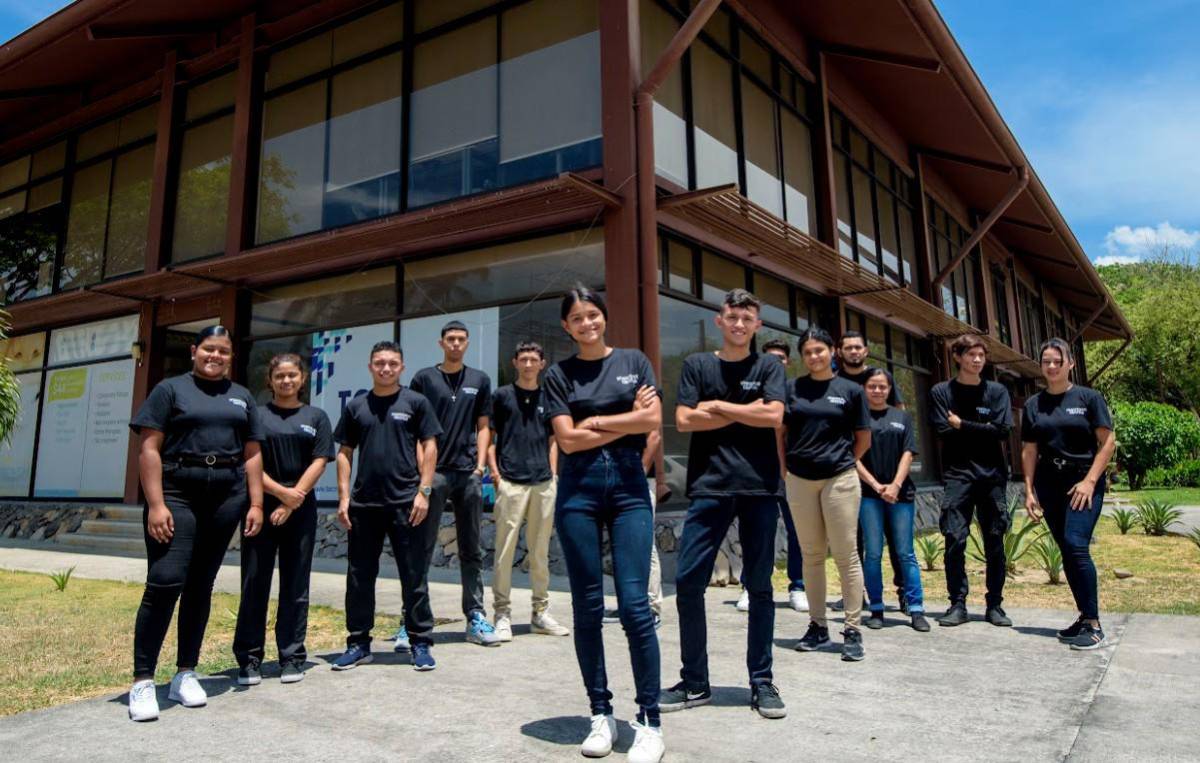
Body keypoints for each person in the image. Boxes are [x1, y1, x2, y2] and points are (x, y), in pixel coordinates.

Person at [544, 286, 665, 763]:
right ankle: (601, 714)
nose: (587, 323)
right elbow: (567, 442)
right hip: (579, 490)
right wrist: (623, 419)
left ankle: (649, 721)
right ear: (566, 326)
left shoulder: (634, 361)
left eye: (593, 314)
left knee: (636, 605)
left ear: (604, 317)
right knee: (588, 606)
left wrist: (594, 423)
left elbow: (652, 420)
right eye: (577, 318)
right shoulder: (558, 375)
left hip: (630, 488)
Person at [127, 325, 266, 722]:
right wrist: (156, 504)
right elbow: (149, 448)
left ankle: (185, 672)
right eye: (209, 349)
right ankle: (142, 680)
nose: (215, 356)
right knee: (165, 581)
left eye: (223, 351)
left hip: (226, 496)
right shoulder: (169, 390)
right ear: (194, 351)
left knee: (201, 585)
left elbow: (252, 453)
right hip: (177, 493)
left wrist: (256, 502)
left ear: (231, 357)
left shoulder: (242, 397)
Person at [660, 289, 788, 720]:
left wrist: (715, 406)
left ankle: (762, 681)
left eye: (747, 319)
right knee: (688, 582)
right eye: (732, 317)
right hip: (709, 486)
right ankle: (695, 682)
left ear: (757, 325)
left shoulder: (769, 366)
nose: (738, 324)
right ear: (720, 321)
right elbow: (683, 420)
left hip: (759, 487)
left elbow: (774, 416)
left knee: (760, 586)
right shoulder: (697, 365)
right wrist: (746, 409)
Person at [331, 341, 442, 672]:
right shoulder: (357, 406)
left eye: (392, 363)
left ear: (401, 368)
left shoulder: (416, 402)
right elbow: (344, 453)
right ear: (370, 367)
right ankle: (358, 643)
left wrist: (424, 492)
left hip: (406, 503)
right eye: (379, 363)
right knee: (359, 576)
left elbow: (430, 446)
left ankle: (420, 642)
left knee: (414, 575)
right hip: (364, 505)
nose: (386, 368)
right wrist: (344, 497)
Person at [232, 354, 334, 685]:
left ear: (302, 379)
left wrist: (292, 501)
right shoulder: (256, 416)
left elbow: (320, 461)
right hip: (259, 506)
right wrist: (280, 494)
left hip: (301, 509)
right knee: (254, 582)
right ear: (270, 380)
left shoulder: (316, 416)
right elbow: (250, 462)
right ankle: (249, 658)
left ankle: (291, 656)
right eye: (280, 376)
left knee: (295, 585)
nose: (286, 381)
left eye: (292, 375)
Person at [781, 327, 871, 661]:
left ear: (832, 351)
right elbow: (780, 433)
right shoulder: (791, 389)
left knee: (847, 555)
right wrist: (784, 470)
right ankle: (817, 626)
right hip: (800, 480)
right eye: (807, 352)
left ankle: (852, 629)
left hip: (839, 479)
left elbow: (863, 438)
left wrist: (843, 462)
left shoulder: (850, 390)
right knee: (812, 555)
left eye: (819, 350)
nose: (814, 356)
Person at [1021, 338, 1116, 650]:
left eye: (1057, 361)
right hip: (1050, 484)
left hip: (1083, 482)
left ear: (1070, 364)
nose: (1051, 366)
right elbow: (1030, 450)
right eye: (1046, 361)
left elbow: (1107, 442)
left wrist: (1090, 481)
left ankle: (1094, 625)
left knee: (1076, 544)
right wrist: (1029, 490)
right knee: (1067, 550)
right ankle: (1084, 617)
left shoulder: (1089, 398)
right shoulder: (1033, 405)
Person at [411, 321, 500, 647]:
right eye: (450, 339)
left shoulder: (480, 380)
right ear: (441, 343)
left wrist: (480, 467)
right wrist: (424, 470)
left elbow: (484, 426)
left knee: (471, 549)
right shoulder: (424, 378)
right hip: (434, 474)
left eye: (461, 339)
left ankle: (475, 617)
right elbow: (415, 427)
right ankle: (412, 620)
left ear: (467, 343)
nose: (456, 344)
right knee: (421, 547)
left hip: (468, 475)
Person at [930, 334, 1013, 628]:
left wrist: (962, 424)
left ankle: (995, 605)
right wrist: (983, 428)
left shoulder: (997, 392)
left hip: (992, 476)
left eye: (981, 355)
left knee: (995, 541)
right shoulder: (942, 392)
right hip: (958, 476)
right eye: (970, 355)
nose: (977, 360)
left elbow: (1003, 431)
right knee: (954, 539)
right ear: (957, 357)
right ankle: (957, 604)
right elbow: (942, 430)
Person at [488, 341, 569, 640]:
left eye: (533, 359)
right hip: (510, 482)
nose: (528, 364)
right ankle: (502, 614)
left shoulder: (549, 397)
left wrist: (553, 474)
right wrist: (495, 474)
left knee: (540, 553)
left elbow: (553, 439)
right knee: (504, 553)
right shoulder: (501, 396)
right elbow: (489, 436)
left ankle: (540, 613)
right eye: (523, 359)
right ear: (515, 362)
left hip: (543, 483)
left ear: (542, 364)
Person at [735, 338, 807, 614]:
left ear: (788, 362)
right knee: (758, 533)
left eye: (781, 358)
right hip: (758, 473)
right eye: (770, 358)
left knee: (797, 531)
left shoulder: (797, 392)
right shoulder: (751, 391)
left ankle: (797, 587)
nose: (775, 363)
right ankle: (750, 586)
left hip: (793, 473)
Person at [836, 330, 906, 614]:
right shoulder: (835, 381)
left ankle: (903, 593)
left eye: (858, 347)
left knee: (895, 539)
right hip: (847, 468)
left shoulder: (879, 378)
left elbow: (900, 415)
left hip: (886, 471)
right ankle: (855, 594)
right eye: (848, 348)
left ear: (865, 351)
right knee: (852, 540)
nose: (854, 351)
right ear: (840, 352)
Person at [855, 369, 928, 632]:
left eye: (882, 386)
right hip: (869, 496)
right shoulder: (857, 418)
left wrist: (895, 485)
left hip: (901, 495)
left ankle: (916, 609)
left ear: (889, 389)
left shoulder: (902, 417)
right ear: (864, 389)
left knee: (906, 553)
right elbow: (852, 457)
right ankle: (876, 608)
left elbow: (909, 453)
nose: (877, 391)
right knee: (873, 553)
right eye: (872, 386)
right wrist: (876, 485)